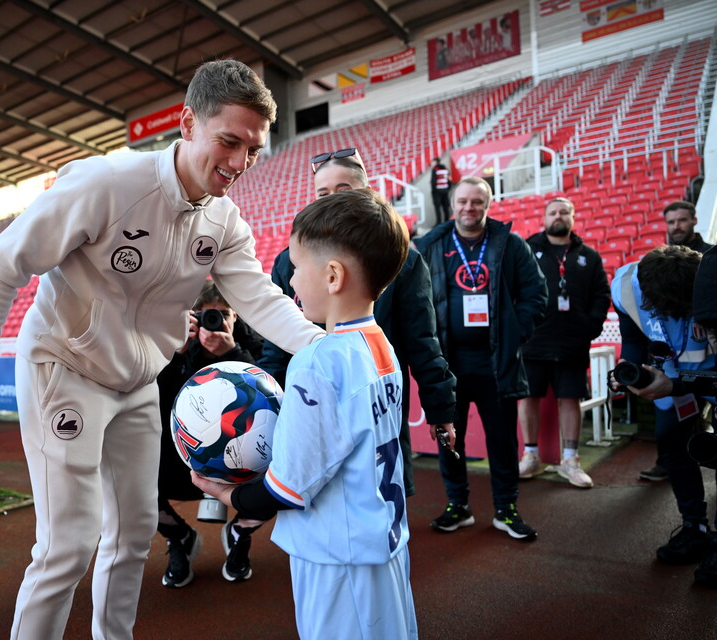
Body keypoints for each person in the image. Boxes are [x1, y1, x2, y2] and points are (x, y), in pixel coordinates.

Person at [0, 60, 324, 640]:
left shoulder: (225, 221)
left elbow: (262, 299)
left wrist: (329, 349)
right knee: (67, 546)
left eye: (252, 149)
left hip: (137, 385)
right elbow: (4, 262)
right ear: (187, 123)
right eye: (228, 141)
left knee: (131, 538)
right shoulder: (107, 183)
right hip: (64, 370)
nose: (239, 163)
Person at [193, 188, 418, 640]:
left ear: (333, 275)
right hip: (384, 547)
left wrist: (227, 495)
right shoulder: (381, 345)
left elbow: (287, 489)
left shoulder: (318, 361)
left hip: (339, 559)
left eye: (296, 269)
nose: (290, 283)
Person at [257, 148, 457, 499]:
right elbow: (277, 340)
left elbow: (422, 342)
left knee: (378, 496)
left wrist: (440, 408)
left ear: (366, 192)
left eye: (343, 189)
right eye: (323, 193)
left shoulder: (404, 260)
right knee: (312, 496)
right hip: (310, 407)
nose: (332, 200)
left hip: (376, 408)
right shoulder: (290, 260)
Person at [415, 176, 547, 541]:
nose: (469, 208)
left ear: (488, 205)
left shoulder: (510, 244)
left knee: (502, 441)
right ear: (453, 204)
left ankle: (506, 508)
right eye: (463, 202)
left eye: (477, 202)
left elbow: (537, 293)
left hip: (495, 361)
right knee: (449, 438)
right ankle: (458, 505)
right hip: (448, 364)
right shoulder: (432, 245)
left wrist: (514, 332)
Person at [611, 245, 716, 587]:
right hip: (671, 380)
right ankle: (695, 527)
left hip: (710, 374)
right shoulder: (627, 285)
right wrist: (629, 367)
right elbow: (631, 337)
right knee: (672, 443)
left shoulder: (710, 288)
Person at [156, 279, 265, 587]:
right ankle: (179, 537)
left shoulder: (249, 343)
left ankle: (240, 532)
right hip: (182, 458)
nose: (215, 323)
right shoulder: (175, 343)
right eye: (206, 316)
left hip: (241, 459)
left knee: (283, 481)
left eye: (224, 314)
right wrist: (175, 353)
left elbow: (271, 394)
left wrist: (233, 353)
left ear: (236, 317)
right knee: (125, 489)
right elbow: (157, 403)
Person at [518, 197, 610, 488]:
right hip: (534, 340)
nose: (558, 216)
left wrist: (590, 327)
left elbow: (601, 296)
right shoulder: (526, 250)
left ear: (573, 216)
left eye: (564, 211)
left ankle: (570, 460)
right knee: (527, 397)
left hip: (572, 341)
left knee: (570, 398)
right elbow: (511, 290)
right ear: (544, 218)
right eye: (553, 212)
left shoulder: (590, 256)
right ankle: (530, 455)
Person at [640, 201, 712, 483]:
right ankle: (666, 462)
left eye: (682, 220)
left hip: (707, 360)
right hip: (671, 363)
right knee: (669, 425)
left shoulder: (709, 258)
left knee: (699, 426)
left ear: (694, 220)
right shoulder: (658, 264)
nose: (677, 227)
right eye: (671, 222)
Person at [430, 157, 452, 225]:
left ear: (436, 162)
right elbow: (449, 180)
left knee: (437, 208)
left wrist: (433, 191)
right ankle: (447, 222)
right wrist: (448, 188)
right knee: (446, 208)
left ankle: (438, 223)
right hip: (445, 191)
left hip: (437, 192)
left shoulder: (435, 169)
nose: (431, 163)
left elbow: (433, 181)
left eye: (433, 162)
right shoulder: (446, 169)